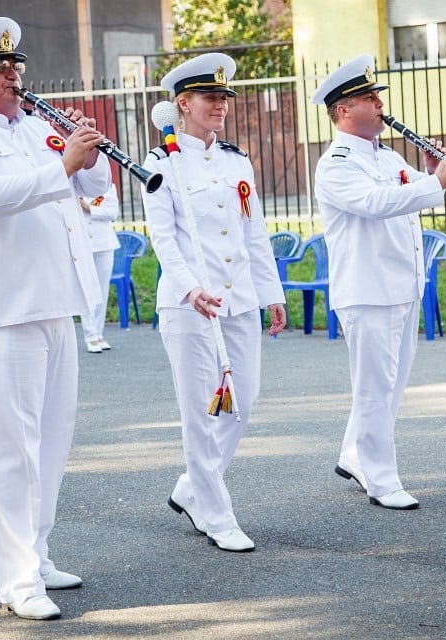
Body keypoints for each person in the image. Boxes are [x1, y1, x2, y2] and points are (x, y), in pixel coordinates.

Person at [0, 17, 110, 620]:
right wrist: (62, 166)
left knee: (52, 442)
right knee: (11, 452)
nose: (14, 76)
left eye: (16, 67)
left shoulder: (35, 129)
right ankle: (17, 580)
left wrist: (85, 152)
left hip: (53, 302)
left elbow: (95, 183)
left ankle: (38, 550)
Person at [142, 52, 286, 552]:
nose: (221, 105)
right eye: (210, 97)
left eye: (225, 97)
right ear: (183, 103)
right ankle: (217, 514)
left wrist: (271, 293)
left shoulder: (235, 160)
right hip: (190, 305)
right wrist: (188, 287)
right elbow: (163, 238)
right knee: (202, 413)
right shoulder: (161, 163)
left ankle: (191, 488)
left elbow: (253, 232)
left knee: (241, 403)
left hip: (240, 298)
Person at [311, 53, 446, 510]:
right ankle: (381, 480)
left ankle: (354, 455)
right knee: (376, 387)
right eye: (369, 96)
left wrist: (427, 168)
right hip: (367, 290)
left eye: (378, 96)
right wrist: (433, 181)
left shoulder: (387, 154)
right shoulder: (336, 163)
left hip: (402, 285)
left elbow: (414, 197)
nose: (380, 103)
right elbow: (379, 203)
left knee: (389, 384)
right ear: (344, 109)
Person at [77, 183, 121, 353]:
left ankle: (99, 333)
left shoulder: (107, 186)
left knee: (102, 291)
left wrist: (89, 208)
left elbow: (113, 212)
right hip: (83, 244)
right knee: (86, 289)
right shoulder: (73, 183)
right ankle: (90, 335)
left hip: (104, 243)